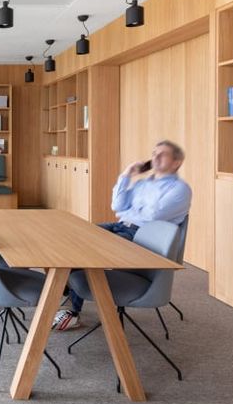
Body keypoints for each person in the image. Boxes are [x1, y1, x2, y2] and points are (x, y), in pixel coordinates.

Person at [53, 140, 192, 331]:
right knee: (72, 238)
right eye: (154, 153)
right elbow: (117, 205)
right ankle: (65, 288)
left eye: (163, 154)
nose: (156, 157)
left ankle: (72, 310)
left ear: (176, 162)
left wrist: (134, 208)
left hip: (143, 237)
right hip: (119, 225)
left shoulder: (180, 189)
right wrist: (126, 175)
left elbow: (153, 215)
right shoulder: (142, 183)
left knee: (85, 250)